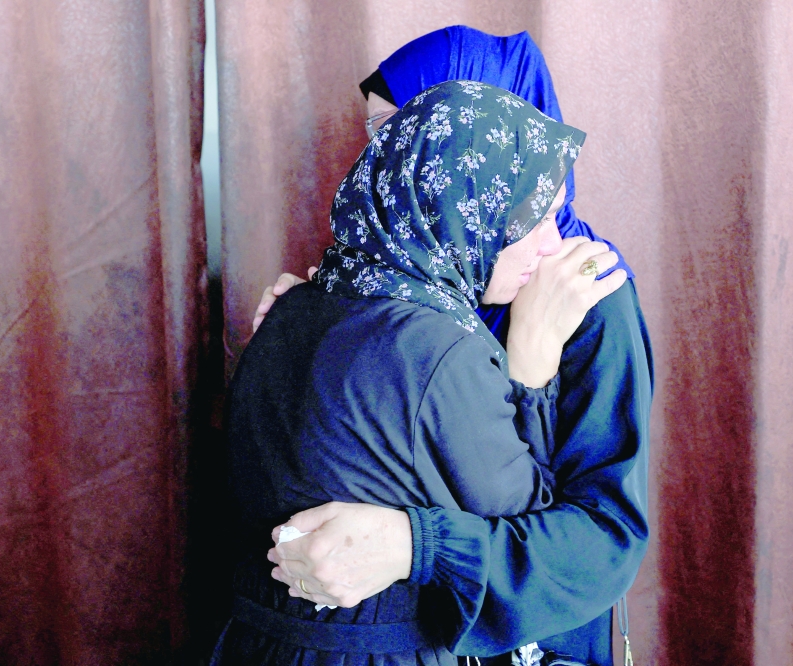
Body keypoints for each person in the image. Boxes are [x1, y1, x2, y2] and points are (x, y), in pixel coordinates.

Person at [254, 27, 652, 666]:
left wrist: (416, 544)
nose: (399, 157)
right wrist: (305, 342)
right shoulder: (393, 284)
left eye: (411, 127)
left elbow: (604, 539)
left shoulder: (591, 296)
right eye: (380, 134)